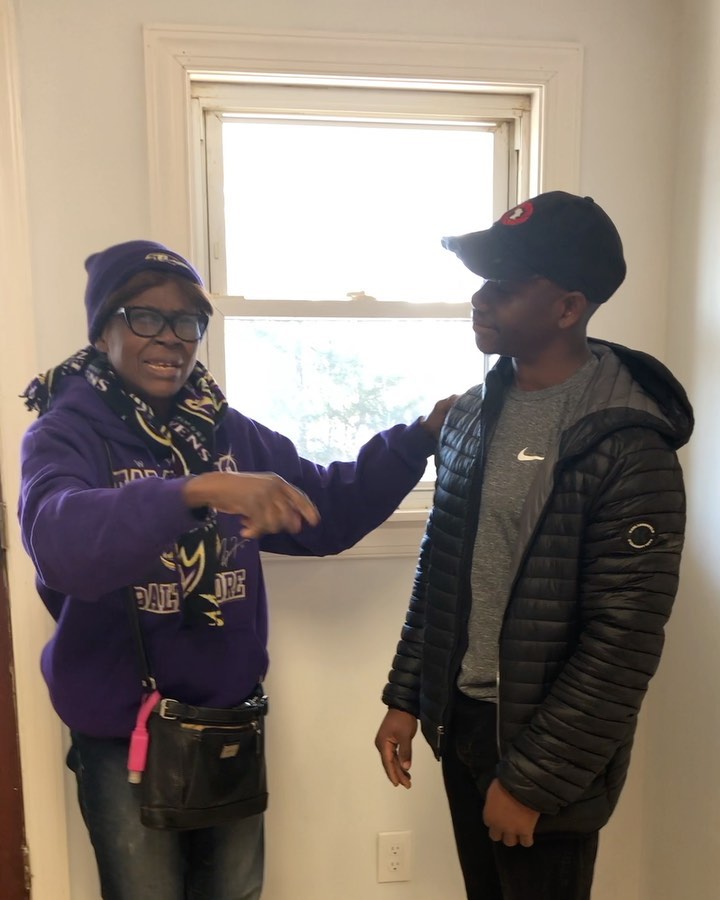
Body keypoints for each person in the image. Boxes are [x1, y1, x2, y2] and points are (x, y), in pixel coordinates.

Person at [18, 239, 452, 900]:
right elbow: (60, 541)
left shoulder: (224, 431)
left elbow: (324, 508)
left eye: (187, 321)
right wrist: (194, 492)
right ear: (104, 329)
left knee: (236, 894)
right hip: (124, 734)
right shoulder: (63, 433)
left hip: (228, 721)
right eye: (145, 316)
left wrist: (417, 439)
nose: (170, 337)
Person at [374, 192, 693, 900]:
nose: (480, 299)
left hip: (548, 746)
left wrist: (531, 781)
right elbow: (440, 571)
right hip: (461, 719)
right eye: (481, 281)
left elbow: (624, 639)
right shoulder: (469, 415)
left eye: (505, 285)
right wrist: (406, 696)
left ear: (568, 308)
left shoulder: (628, 444)